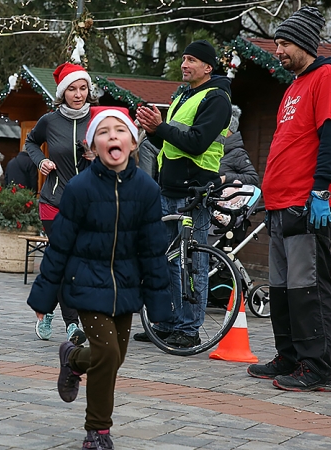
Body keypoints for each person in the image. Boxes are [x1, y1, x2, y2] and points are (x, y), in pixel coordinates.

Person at [27, 107, 172, 450]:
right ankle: (98, 431)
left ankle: (73, 358)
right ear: (93, 145)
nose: (112, 137)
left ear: (133, 143)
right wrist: (44, 299)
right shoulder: (79, 188)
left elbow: (153, 250)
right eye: (103, 132)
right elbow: (60, 245)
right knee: (107, 354)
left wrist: (161, 304)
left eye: (119, 131)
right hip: (85, 283)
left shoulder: (148, 190)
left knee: (114, 357)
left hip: (126, 285)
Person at [247, 6, 331, 392]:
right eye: (276, 43)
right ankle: (290, 356)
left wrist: (321, 190)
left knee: (307, 286)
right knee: (282, 287)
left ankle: (317, 367)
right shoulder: (293, 86)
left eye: (285, 43)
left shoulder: (328, 78)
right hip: (279, 203)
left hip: (307, 203)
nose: (278, 50)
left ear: (305, 44)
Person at [135, 40, 232, 348]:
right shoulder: (183, 95)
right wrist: (152, 130)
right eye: (183, 59)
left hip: (195, 193)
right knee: (164, 259)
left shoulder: (217, 98)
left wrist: (160, 127)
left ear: (208, 67)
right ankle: (165, 322)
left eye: (191, 60)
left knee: (192, 263)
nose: (184, 64)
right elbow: (171, 144)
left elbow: (196, 143)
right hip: (168, 189)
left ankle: (189, 329)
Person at [25, 62, 98, 345]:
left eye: (82, 88)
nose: (78, 94)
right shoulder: (49, 121)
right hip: (54, 202)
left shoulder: (98, 120)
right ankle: (72, 325)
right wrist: (41, 160)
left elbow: (120, 153)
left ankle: (46, 309)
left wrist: (99, 157)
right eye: (72, 89)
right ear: (62, 92)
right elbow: (30, 143)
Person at [219, 105, 259, 186]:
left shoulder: (238, 153)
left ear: (228, 131)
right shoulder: (212, 151)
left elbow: (253, 178)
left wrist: (226, 178)